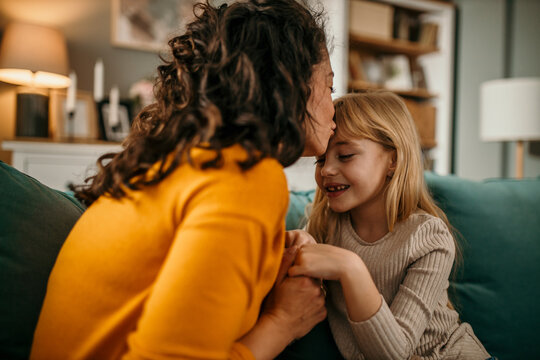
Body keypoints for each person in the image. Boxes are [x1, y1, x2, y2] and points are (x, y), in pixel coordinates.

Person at [30, 1, 336, 359]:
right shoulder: (246, 177)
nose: (334, 106)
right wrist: (283, 322)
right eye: (329, 86)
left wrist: (269, 248)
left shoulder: (181, 160)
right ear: (291, 83)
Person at [287, 91, 491, 359]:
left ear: (393, 160)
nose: (326, 170)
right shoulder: (325, 227)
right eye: (321, 159)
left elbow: (394, 355)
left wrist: (351, 268)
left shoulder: (428, 237)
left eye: (345, 155)